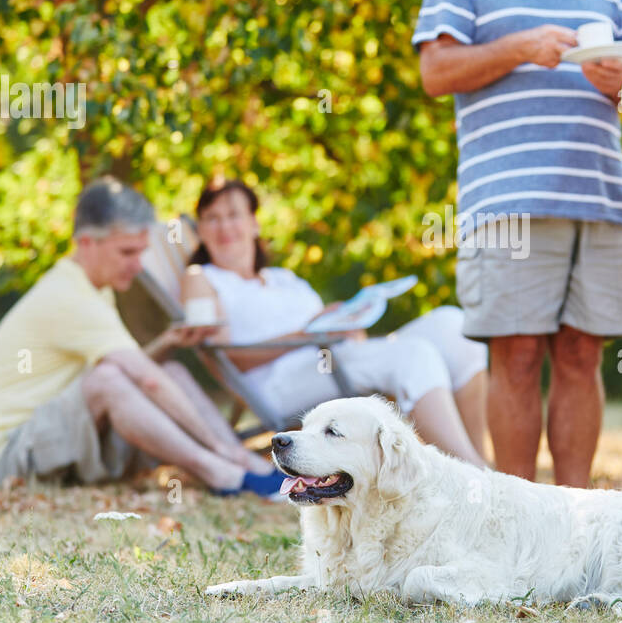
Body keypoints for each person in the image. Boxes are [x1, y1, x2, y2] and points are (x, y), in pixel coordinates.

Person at [413, 0, 622, 487]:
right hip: (509, 199)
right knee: (517, 355)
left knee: (582, 355)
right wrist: (521, 47)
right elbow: (436, 74)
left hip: (600, 194)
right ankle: (516, 520)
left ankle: (574, 517)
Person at [0, 177, 287, 499]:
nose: (138, 267)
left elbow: (141, 373)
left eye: (142, 253)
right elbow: (146, 381)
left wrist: (166, 343)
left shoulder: (94, 286)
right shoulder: (69, 296)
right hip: (7, 461)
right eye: (127, 253)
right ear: (87, 243)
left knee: (171, 371)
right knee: (110, 380)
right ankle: (224, 471)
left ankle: (248, 464)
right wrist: (216, 443)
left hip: (62, 439)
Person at [181, 178, 490, 469]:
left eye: (233, 214)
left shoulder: (283, 279)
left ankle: (479, 460)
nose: (223, 226)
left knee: (452, 324)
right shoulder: (202, 278)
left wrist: (347, 324)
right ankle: (472, 476)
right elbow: (224, 356)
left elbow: (330, 334)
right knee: (413, 355)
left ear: (254, 223)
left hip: (330, 362)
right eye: (211, 218)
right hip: (278, 383)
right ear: (201, 231)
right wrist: (311, 331)